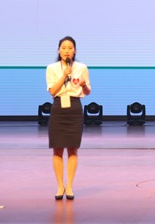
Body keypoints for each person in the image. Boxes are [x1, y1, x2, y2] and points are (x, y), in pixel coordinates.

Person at [46, 36, 91, 200]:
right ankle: (60, 186)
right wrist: (64, 75)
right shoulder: (51, 68)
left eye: (70, 48)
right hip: (58, 107)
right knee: (57, 149)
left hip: (75, 107)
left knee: (73, 149)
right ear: (59, 50)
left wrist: (84, 85)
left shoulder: (82, 67)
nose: (67, 51)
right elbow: (52, 91)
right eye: (64, 48)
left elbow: (87, 92)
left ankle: (70, 186)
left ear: (75, 51)